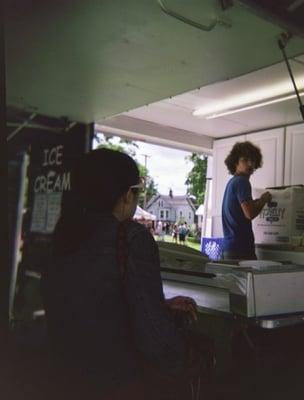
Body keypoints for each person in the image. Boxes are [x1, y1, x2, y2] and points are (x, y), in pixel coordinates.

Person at [42, 149, 200, 398]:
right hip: (115, 384)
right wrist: (186, 356)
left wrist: (160, 306)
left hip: (63, 379)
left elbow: (92, 305)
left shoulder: (64, 236)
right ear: (127, 195)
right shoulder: (131, 237)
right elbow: (156, 342)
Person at [222, 141, 272, 260]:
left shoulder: (232, 182)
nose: (250, 164)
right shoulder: (242, 182)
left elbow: (242, 209)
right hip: (241, 249)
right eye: (245, 160)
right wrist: (264, 200)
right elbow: (249, 213)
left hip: (230, 248)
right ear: (235, 163)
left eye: (252, 160)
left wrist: (257, 201)